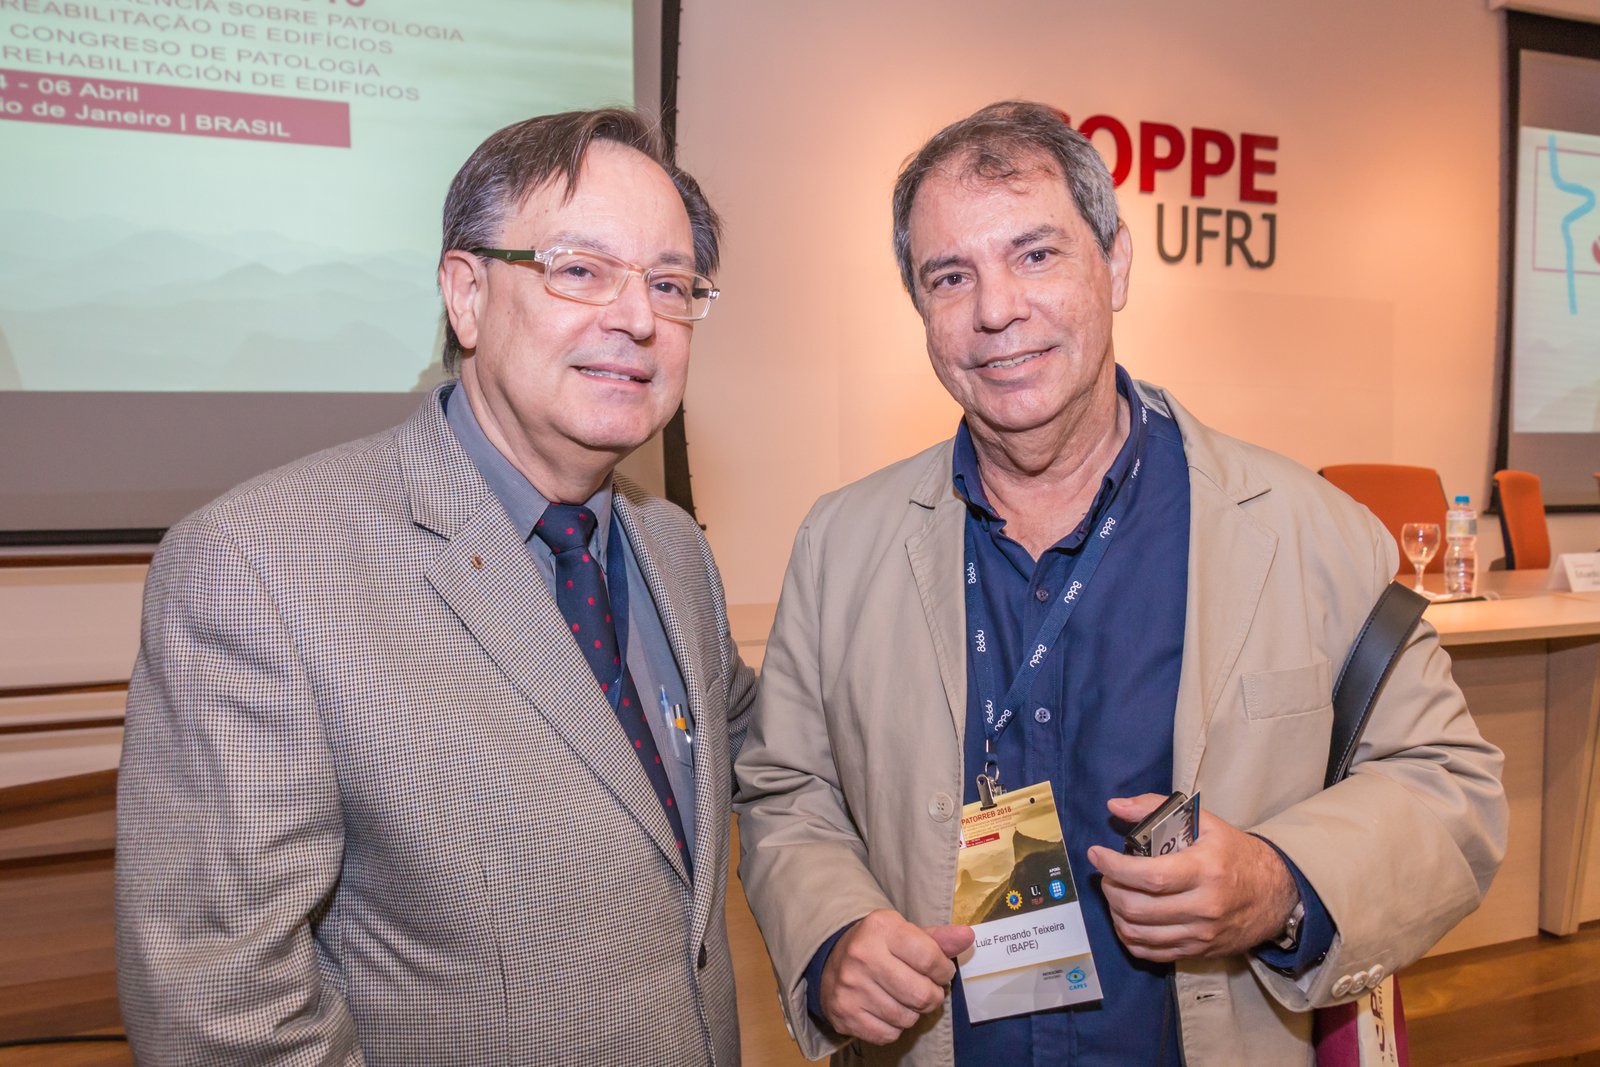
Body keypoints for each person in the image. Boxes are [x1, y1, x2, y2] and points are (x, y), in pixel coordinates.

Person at [734, 101, 1507, 1066]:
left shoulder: (1311, 534)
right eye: (950, 275)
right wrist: (831, 931)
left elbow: (1450, 785)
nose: (995, 309)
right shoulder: (840, 546)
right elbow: (786, 789)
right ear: (921, 307)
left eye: (1035, 254)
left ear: (1117, 264)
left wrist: (1280, 882)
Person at [116, 108, 755, 1066]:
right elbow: (224, 1015)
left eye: (669, 284)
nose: (637, 319)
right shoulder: (259, 568)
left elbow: (757, 758)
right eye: (581, 270)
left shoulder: (673, 550)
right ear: (467, 294)